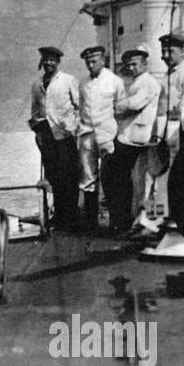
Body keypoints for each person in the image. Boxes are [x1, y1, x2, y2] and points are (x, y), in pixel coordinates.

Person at [103, 44, 160, 237]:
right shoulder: (137, 82)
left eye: (135, 64)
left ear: (145, 64)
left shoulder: (148, 83)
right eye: (129, 65)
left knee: (113, 174)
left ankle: (123, 222)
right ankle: (125, 221)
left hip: (136, 137)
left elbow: (134, 104)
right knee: (121, 176)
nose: (131, 68)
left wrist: (115, 106)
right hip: (130, 135)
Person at [29, 46, 82, 229]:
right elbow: (35, 110)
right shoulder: (37, 85)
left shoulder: (68, 81)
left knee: (69, 176)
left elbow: (79, 106)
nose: (48, 63)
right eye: (46, 59)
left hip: (65, 136)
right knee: (53, 176)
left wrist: (73, 127)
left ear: (58, 62)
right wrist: (37, 129)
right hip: (47, 136)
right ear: (42, 62)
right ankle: (59, 216)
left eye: (52, 59)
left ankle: (71, 216)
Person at [142, 29, 184, 226]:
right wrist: (156, 133)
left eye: (170, 51)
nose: (164, 56)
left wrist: (171, 136)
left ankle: (161, 218)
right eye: (163, 51)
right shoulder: (170, 73)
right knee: (152, 176)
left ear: (183, 50)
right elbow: (162, 107)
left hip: (176, 132)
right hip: (163, 131)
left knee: (167, 178)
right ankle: (151, 218)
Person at [77, 45, 125, 232]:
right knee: (88, 178)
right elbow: (81, 107)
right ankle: (91, 222)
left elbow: (120, 108)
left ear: (102, 61)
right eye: (87, 62)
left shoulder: (114, 81)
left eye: (93, 61)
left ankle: (116, 222)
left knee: (110, 178)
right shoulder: (83, 83)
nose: (90, 65)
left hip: (107, 133)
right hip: (87, 133)